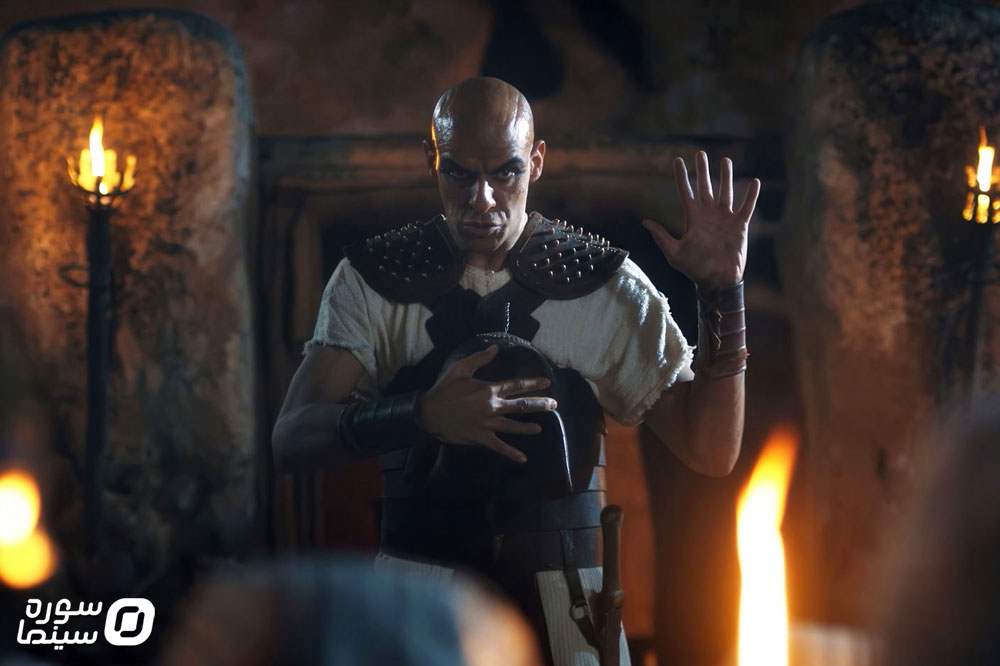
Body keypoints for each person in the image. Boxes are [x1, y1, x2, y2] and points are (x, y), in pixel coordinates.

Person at [272, 77, 760, 666]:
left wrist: (721, 293)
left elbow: (711, 451)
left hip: (570, 606)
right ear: (432, 160)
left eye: (505, 172)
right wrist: (420, 415)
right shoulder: (372, 281)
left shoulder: (604, 286)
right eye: (459, 173)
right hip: (415, 594)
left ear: (537, 160)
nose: (482, 199)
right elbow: (291, 438)